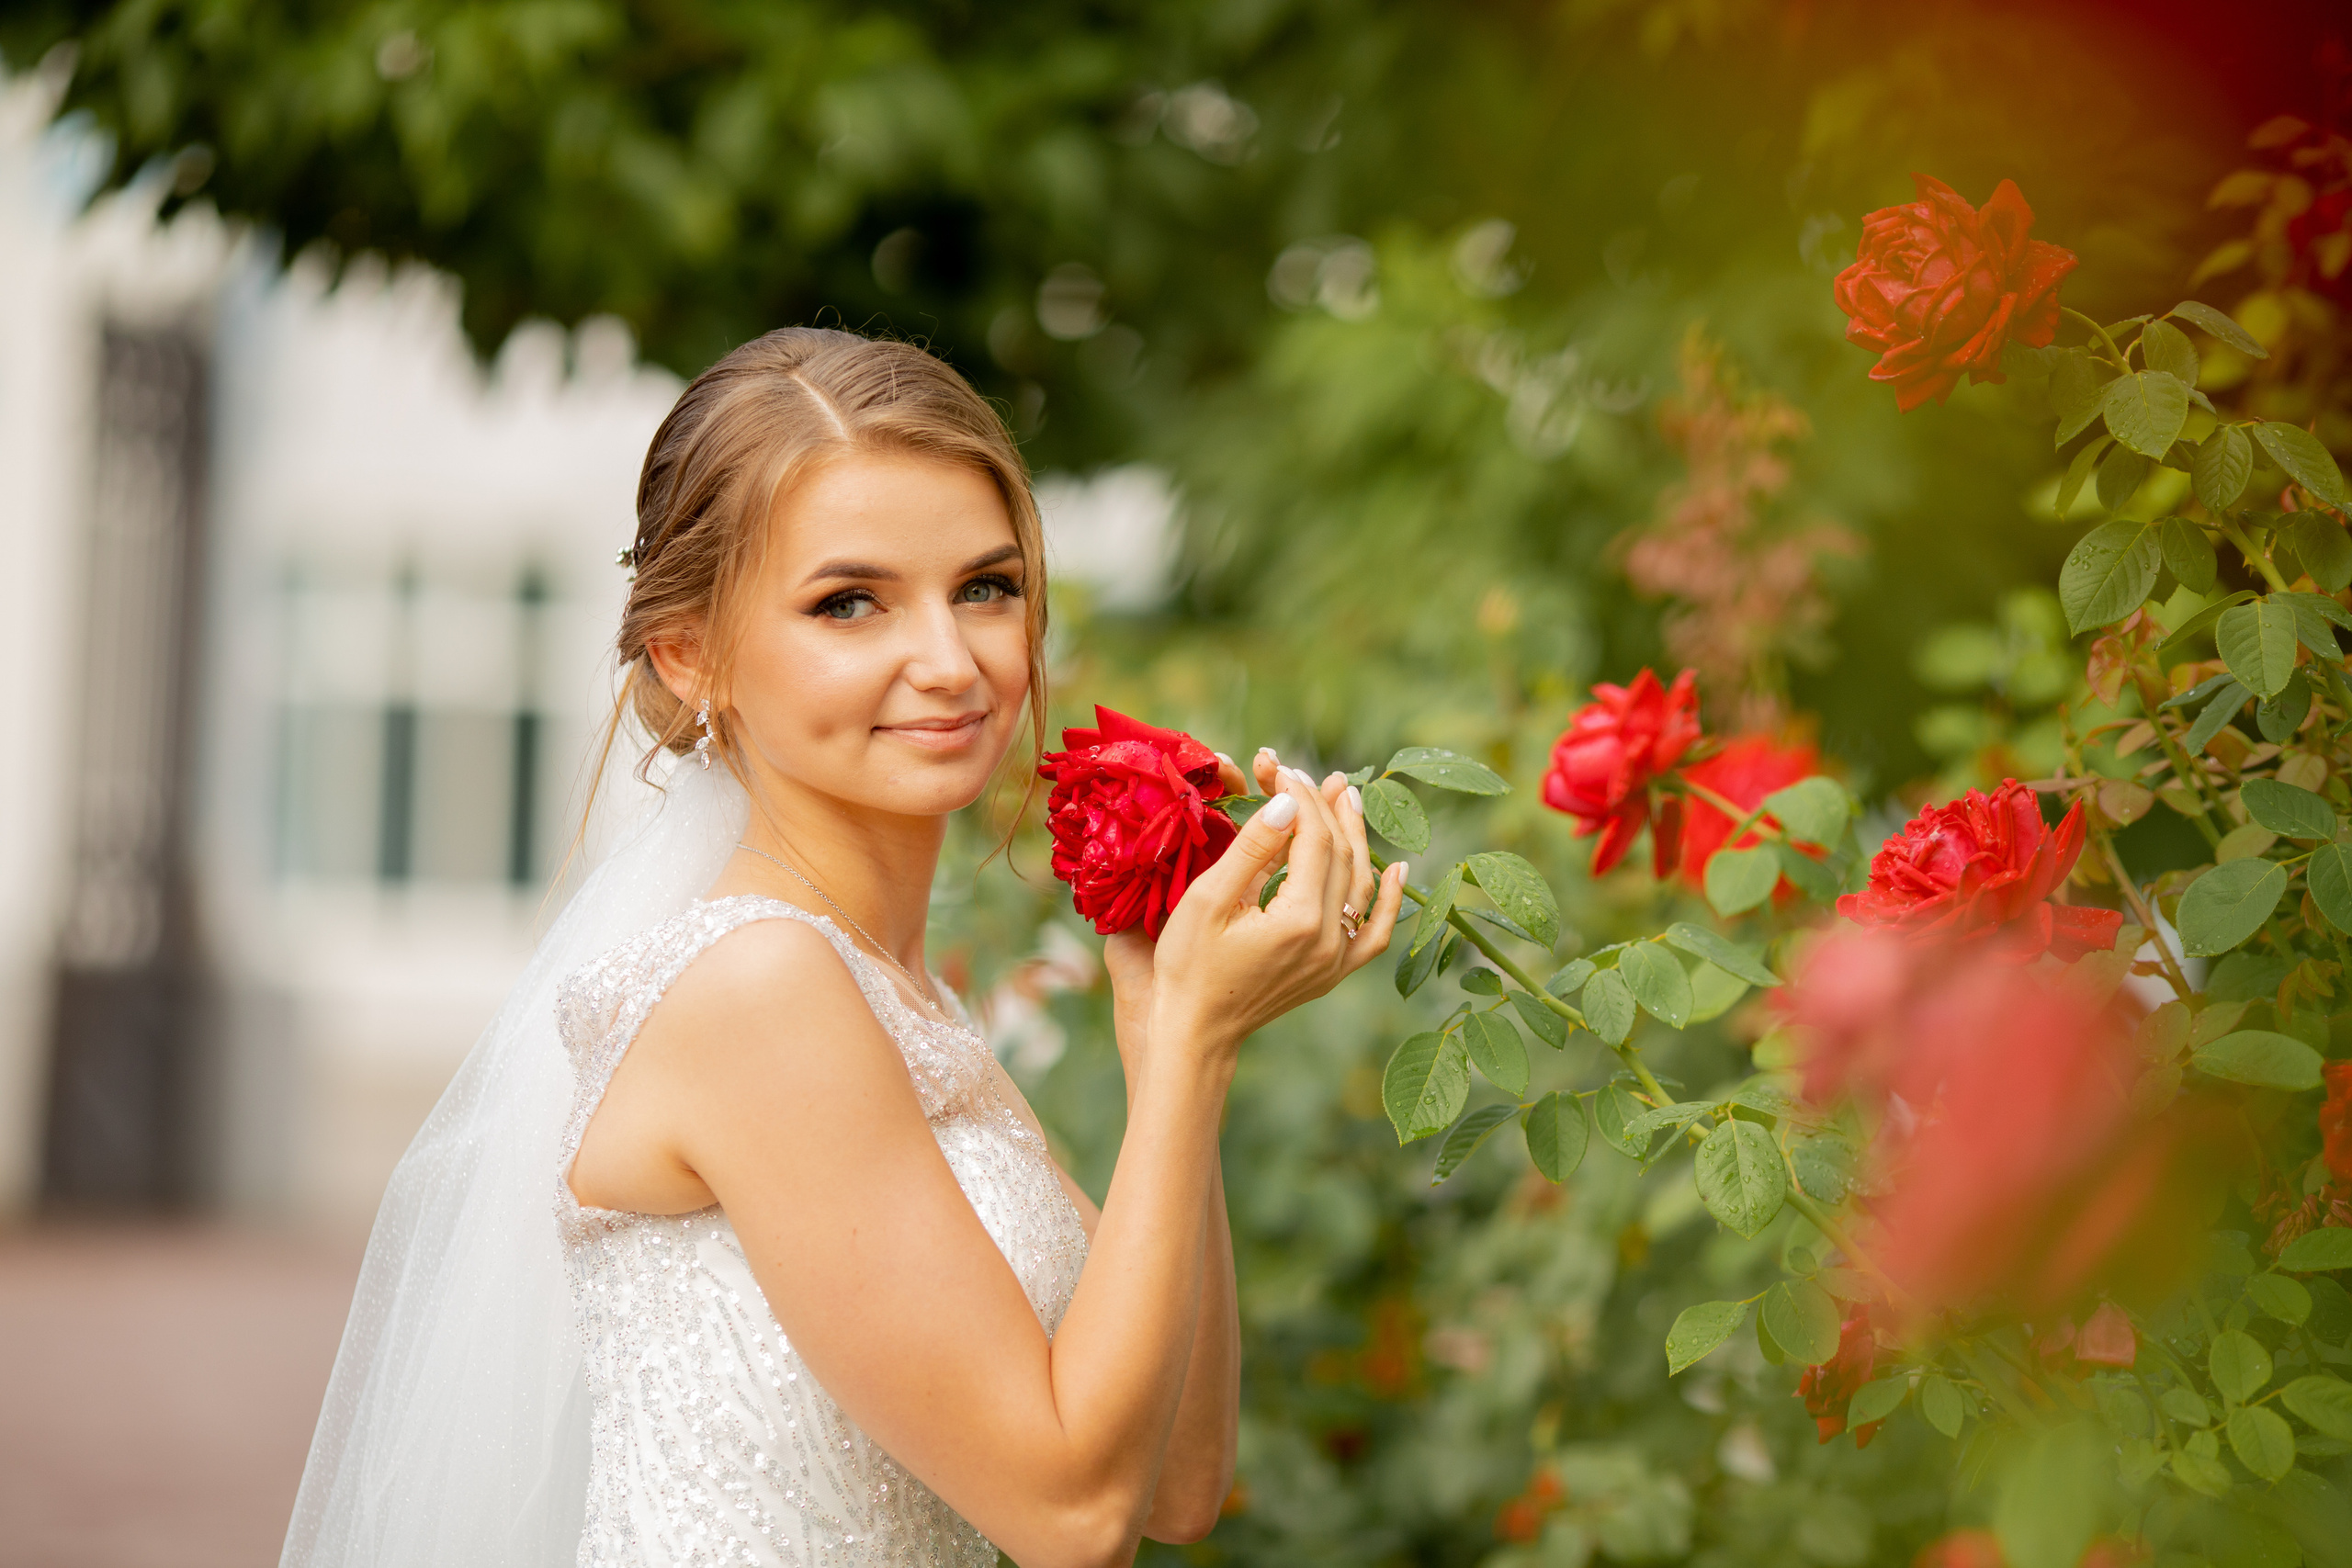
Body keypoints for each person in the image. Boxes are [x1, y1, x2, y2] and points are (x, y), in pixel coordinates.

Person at [281, 326, 1408, 1568]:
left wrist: (1169, 1043)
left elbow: (1176, 1484)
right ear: (688, 654)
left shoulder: (894, 997)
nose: (951, 661)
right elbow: (1073, 1518)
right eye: (851, 602)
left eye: (986, 586)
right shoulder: (759, 990)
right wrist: (1195, 1045)